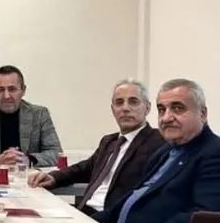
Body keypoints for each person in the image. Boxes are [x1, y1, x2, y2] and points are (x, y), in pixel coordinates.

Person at [93, 79, 220, 223]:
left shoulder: (213, 153)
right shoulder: (165, 151)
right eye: (162, 110)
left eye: (177, 108)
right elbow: (134, 197)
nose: (166, 117)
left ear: (202, 113)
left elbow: (199, 218)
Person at [27, 79, 165, 214]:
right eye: (119, 102)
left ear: (147, 108)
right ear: (113, 110)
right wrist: (53, 177)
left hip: (112, 217)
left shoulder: (158, 141)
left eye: (133, 102)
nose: (125, 108)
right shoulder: (109, 141)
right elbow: (83, 169)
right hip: (85, 211)